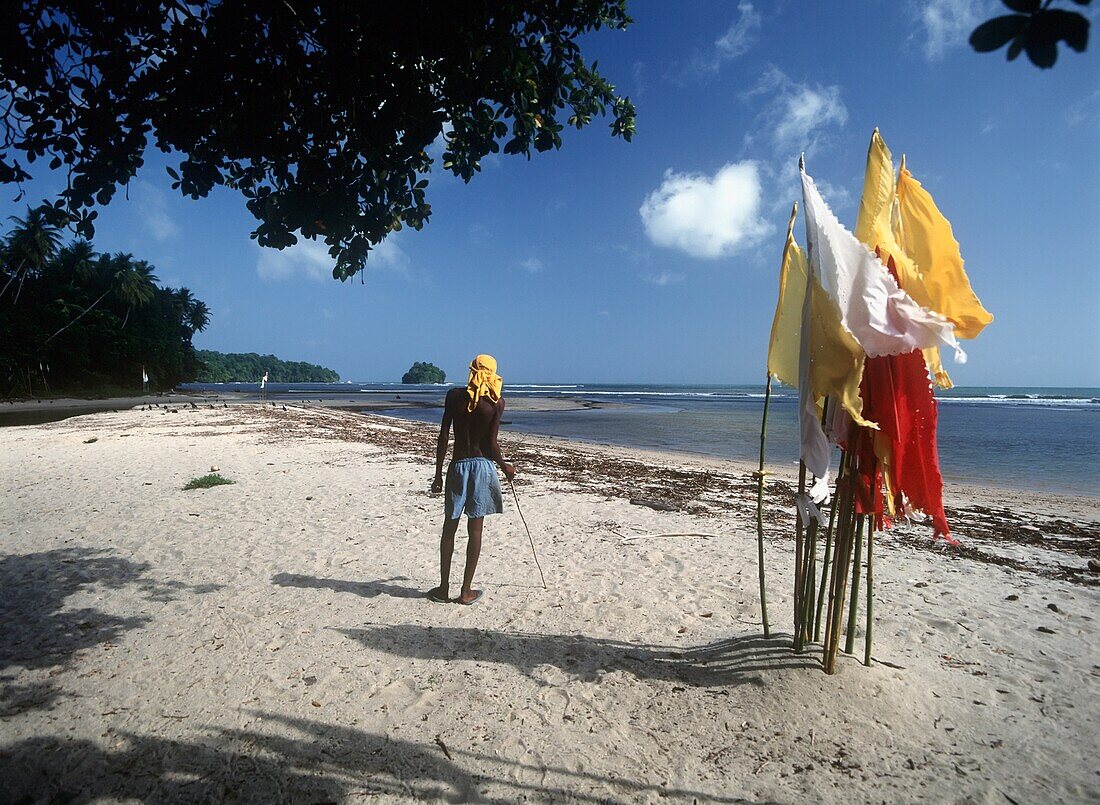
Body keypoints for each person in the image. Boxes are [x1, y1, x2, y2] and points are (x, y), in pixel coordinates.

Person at [428, 354, 515, 605]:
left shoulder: (454, 396)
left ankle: (444, 588)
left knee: (449, 527)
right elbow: (491, 445)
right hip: (482, 468)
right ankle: (466, 591)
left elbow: (444, 436)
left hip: (457, 467)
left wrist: (438, 474)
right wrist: (504, 466)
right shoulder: (496, 403)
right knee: (475, 530)